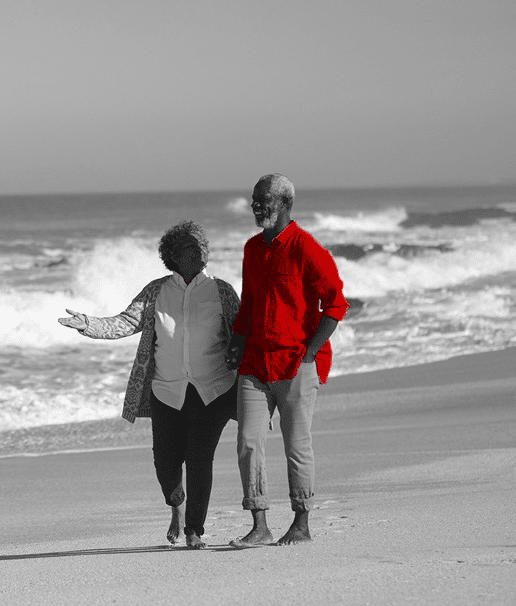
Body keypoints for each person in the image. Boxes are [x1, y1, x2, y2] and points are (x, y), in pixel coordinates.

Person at [59, 220, 240, 550]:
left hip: (212, 388)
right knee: (166, 463)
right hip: (166, 390)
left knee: (200, 458)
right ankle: (177, 506)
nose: (203, 250)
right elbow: (126, 321)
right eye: (193, 246)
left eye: (204, 244)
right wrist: (88, 324)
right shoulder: (157, 291)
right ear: (174, 255)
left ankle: (194, 529)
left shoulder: (222, 291)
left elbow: (242, 333)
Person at [226, 174, 349, 547]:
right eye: (253, 200)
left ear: (283, 204)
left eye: (262, 200)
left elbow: (336, 303)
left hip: (295, 364)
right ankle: (259, 524)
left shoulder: (307, 249)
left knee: (296, 444)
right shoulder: (251, 249)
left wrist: (310, 352)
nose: (255, 206)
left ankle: (301, 523)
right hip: (254, 364)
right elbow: (248, 306)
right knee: (248, 441)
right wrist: (236, 341)